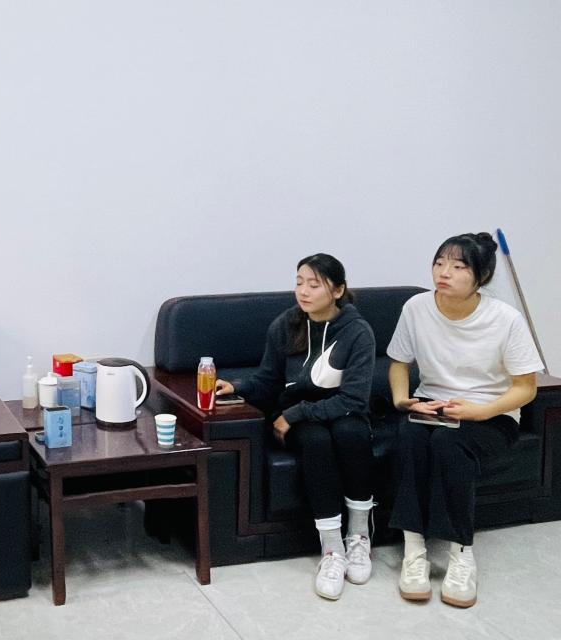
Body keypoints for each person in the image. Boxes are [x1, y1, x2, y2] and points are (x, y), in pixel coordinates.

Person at [388, 232, 542, 608]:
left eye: (458, 267)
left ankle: (461, 553)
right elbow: (399, 363)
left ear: (481, 276)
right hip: (432, 405)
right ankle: (414, 550)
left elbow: (526, 388)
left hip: (491, 413)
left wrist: (478, 411)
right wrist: (404, 401)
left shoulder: (505, 319)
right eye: (440, 263)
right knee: (409, 437)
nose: (444, 273)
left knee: (449, 443)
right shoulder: (416, 307)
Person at [217, 253, 377, 600]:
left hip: (341, 412)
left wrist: (296, 413)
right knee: (316, 440)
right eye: (299, 282)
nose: (303, 291)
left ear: (338, 291)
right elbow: (268, 379)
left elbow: (353, 399)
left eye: (314, 284)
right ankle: (332, 549)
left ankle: (359, 536)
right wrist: (238, 387)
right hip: (300, 418)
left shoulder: (357, 332)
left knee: (350, 433)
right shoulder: (286, 325)